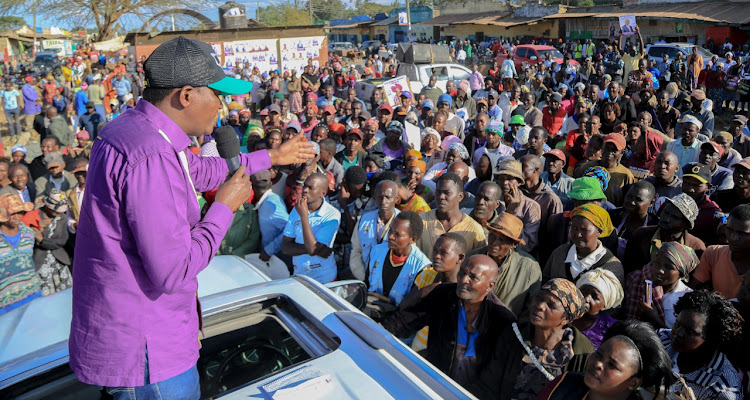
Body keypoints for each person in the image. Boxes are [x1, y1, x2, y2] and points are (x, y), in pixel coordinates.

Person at [70, 37, 315, 396]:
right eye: (217, 94)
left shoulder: (135, 130)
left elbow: (197, 170)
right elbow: (173, 270)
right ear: (186, 96)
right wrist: (224, 208)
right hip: (149, 353)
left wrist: (271, 158)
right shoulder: (151, 155)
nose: (222, 105)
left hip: (138, 339)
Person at [381, 255, 517, 398]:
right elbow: (404, 322)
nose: (463, 280)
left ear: (490, 285)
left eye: (473, 277)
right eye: (462, 272)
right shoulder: (442, 294)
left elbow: (494, 381)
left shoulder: (504, 322)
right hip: (430, 385)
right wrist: (376, 333)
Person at [477, 278, 594, 400]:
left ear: (566, 319)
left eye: (551, 305)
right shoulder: (513, 334)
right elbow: (489, 381)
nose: (540, 306)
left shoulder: (581, 352)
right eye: (539, 298)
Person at [539, 320, 674, 400]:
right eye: (598, 354)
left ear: (633, 383)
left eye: (612, 364)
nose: (598, 364)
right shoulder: (565, 384)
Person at [658, 291, 743, 399]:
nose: (678, 333)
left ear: (711, 338)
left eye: (690, 331)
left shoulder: (722, 389)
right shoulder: (662, 339)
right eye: (677, 324)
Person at [471, 213, 542, 322]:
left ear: (513, 244)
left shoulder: (529, 267)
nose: (494, 243)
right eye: (492, 236)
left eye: (502, 240)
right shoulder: (474, 258)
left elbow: (530, 308)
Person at [624, 193, 706, 276]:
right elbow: (627, 269)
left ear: (686, 224)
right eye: (666, 213)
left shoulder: (696, 247)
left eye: (674, 217)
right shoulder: (641, 235)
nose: (666, 219)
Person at [544, 203, 625, 285]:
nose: (578, 234)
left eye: (584, 230)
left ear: (599, 232)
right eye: (574, 228)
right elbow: (545, 281)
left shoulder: (612, 266)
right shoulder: (560, 253)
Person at [282, 173, 340, 283]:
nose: (305, 190)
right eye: (305, 186)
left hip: (324, 278)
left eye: (310, 188)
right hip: (300, 276)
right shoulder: (297, 209)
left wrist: (304, 216)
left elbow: (313, 249)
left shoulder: (332, 214)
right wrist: (315, 249)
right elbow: (285, 247)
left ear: (323, 193)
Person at [625, 241, 697, 329]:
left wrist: (654, 318)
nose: (660, 270)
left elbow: (678, 336)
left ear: (681, 274)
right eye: (657, 263)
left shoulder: (687, 298)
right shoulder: (637, 280)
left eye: (668, 267)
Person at [366, 211, 431, 306]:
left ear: (413, 239)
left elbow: (412, 304)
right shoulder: (377, 251)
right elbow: (367, 282)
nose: (391, 236)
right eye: (390, 230)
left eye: (397, 234)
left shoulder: (421, 267)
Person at [418, 173, 486, 259]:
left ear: (460, 197)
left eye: (447, 193)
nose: (441, 197)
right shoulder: (421, 221)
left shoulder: (474, 230)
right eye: (438, 192)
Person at [690, 204, 750, 300]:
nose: (733, 238)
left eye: (742, 234)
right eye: (729, 230)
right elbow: (694, 290)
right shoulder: (713, 253)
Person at [350, 179, 399, 281]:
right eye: (380, 197)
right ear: (375, 198)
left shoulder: (402, 222)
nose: (383, 202)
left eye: (388, 197)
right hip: (366, 279)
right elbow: (356, 250)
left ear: (396, 199)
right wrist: (363, 277)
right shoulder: (364, 220)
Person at [27, 188, 72, 296]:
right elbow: (27, 242)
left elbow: (61, 241)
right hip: (40, 263)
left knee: (65, 295)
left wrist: (42, 240)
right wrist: (38, 229)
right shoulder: (34, 216)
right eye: (56, 211)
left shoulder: (63, 218)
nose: (58, 214)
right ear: (48, 206)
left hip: (59, 262)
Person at [0, 193, 38, 314]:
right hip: (5, 304)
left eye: (20, 212)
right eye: (12, 213)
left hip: (33, 296)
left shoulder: (29, 234)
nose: (17, 217)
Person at [575, 133, 635, 207]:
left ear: (622, 153)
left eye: (614, 150)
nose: (609, 152)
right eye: (607, 148)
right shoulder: (587, 168)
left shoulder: (626, 175)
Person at [495, 158, 541, 254]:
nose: (504, 183)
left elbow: (527, 244)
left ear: (519, 182)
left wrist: (512, 214)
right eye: (501, 179)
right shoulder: (492, 201)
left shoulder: (531, 207)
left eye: (509, 179)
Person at [571, 268, 624, 349]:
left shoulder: (611, 328)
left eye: (595, 297)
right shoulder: (565, 312)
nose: (586, 299)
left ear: (604, 306)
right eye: (584, 291)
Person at [609, 181, 658, 259]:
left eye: (638, 200)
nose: (632, 202)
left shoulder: (654, 227)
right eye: (629, 197)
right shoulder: (613, 216)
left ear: (651, 203)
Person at [681, 162, 722, 245]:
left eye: (696, 185)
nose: (690, 189)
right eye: (686, 183)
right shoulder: (674, 203)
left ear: (708, 187)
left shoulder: (712, 212)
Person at [521, 154, 563, 234]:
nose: (519, 169)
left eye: (523, 166)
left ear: (536, 170)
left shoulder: (550, 199)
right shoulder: (518, 192)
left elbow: (555, 231)